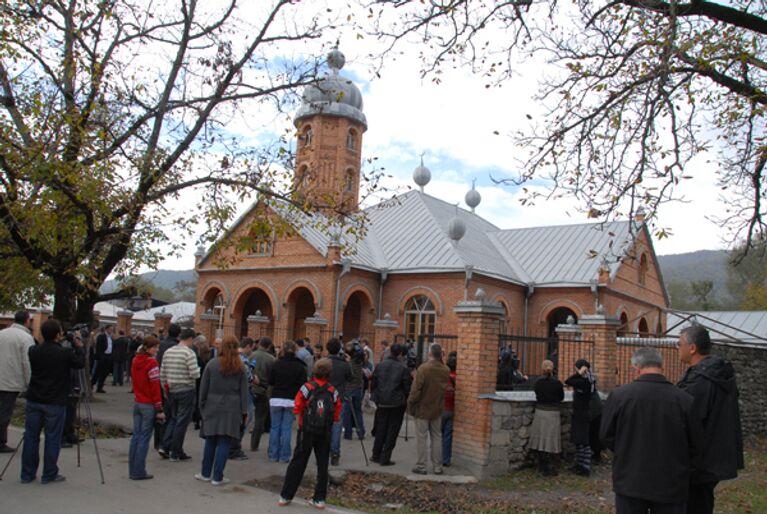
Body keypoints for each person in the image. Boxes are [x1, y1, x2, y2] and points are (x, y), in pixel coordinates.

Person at [601, 347, 703, 514]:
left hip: (630, 478)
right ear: (661, 367)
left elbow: (606, 435)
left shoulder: (619, 396)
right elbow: (696, 443)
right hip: (671, 480)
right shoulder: (684, 400)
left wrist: (626, 449)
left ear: (636, 367)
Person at [677, 325, 744, 514]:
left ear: (692, 348)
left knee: (695, 505)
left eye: (679, 344)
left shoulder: (702, 380)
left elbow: (686, 419)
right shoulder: (715, 373)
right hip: (713, 457)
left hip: (701, 461)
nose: (677, 348)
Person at [21, 318, 85, 484]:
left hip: (34, 398)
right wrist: (79, 347)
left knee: (30, 437)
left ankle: (27, 474)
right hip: (55, 401)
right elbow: (79, 364)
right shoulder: (64, 353)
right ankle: (49, 473)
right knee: (52, 438)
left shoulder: (33, 350)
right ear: (58, 335)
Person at [278, 358, 342, 509]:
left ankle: (286, 495)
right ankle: (319, 498)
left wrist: (300, 420)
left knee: (298, 462)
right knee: (322, 464)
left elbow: (297, 406)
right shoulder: (333, 390)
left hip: (306, 429)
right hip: (325, 431)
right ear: (329, 373)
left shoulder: (306, 388)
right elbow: (337, 411)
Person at [194, 336, 249, 486]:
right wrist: (244, 412)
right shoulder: (240, 367)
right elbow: (244, 393)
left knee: (210, 441)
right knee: (224, 442)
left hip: (212, 405)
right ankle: (218, 477)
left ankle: (205, 473)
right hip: (232, 408)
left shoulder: (212, 364)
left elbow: (203, 389)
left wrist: (202, 407)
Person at [407, 343, 450, 475]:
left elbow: (416, 389)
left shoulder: (424, 368)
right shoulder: (445, 370)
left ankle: (421, 465)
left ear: (430, 353)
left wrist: (410, 402)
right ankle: (437, 466)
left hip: (422, 407)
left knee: (421, 437)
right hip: (437, 407)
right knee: (437, 437)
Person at [158, 328, 200, 461]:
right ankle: (176, 451)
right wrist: (198, 369)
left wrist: (166, 390)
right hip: (186, 389)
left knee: (174, 418)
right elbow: (195, 373)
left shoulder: (168, 352)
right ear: (190, 339)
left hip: (171, 389)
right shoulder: (189, 353)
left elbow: (162, 373)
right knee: (182, 421)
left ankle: (165, 446)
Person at [129, 336, 164, 480]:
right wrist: (159, 408)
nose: (157, 350)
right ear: (148, 348)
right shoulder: (152, 363)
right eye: (155, 347)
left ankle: (132, 469)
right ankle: (139, 471)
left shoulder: (135, 360)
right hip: (148, 404)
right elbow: (155, 386)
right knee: (144, 438)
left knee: (136, 437)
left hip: (138, 401)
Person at [370, 343, 411, 466]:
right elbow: (407, 387)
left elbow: (374, 382)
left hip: (382, 401)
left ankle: (376, 454)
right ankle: (385, 457)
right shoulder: (403, 368)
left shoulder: (380, 365)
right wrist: (403, 398)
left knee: (381, 428)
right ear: (400, 354)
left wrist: (376, 396)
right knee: (392, 431)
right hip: (396, 403)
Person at [0, 311, 35, 453]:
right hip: (12, 380)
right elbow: (27, 362)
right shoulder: (26, 338)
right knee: (5, 412)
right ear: (27, 321)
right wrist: (30, 383)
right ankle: (1, 441)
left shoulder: (2, 333)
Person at [267, 340, 307, 463]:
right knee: (286, 428)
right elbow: (303, 384)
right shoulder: (300, 366)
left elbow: (271, 381)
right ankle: (284, 456)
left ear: (283, 350)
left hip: (276, 398)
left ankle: (273, 454)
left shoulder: (276, 364)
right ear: (295, 351)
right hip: (291, 399)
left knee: (274, 427)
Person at [529, 360, 564, 476]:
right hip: (553, 413)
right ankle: (550, 467)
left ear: (542, 369)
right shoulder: (558, 383)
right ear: (553, 369)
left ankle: (541, 465)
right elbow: (561, 397)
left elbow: (536, 394)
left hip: (540, 412)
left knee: (540, 439)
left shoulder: (538, 382)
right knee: (551, 439)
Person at [326, 337, 352, 466]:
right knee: (336, 425)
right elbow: (350, 378)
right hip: (339, 398)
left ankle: (323, 452)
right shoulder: (344, 364)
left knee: (324, 424)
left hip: (324, 397)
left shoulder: (324, 363)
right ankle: (335, 452)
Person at [229, 337, 256, 460]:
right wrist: (254, 377)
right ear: (248, 346)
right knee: (245, 418)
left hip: (231, 392)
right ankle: (235, 447)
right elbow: (249, 378)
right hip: (244, 392)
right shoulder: (243, 359)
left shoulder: (232, 357)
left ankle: (232, 446)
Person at [565, 358, 593, 476]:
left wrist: (579, 373)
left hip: (581, 413)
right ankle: (580, 465)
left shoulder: (584, 382)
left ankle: (584, 467)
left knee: (582, 441)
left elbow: (568, 381)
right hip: (583, 412)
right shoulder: (588, 380)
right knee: (580, 440)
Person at [250, 336, 276, 451]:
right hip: (264, 390)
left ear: (259, 343)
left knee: (246, 416)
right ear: (269, 346)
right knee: (260, 419)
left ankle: (236, 442)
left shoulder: (251, 355)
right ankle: (254, 444)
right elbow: (273, 377)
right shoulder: (271, 359)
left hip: (250, 388)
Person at [342, 340, 366, 441]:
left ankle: (348, 433)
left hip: (349, 390)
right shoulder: (359, 362)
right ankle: (361, 432)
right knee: (358, 411)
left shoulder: (349, 364)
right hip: (358, 388)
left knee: (347, 412)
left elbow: (348, 376)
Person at [441, 352, 457, 468]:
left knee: (437, 435)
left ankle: (436, 457)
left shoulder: (442, 376)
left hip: (441, 409)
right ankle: (446, 459)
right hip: (452, 409)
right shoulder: (458, 378)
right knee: (448, 436)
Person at [92, 325, 115, 393]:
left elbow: (111, 347)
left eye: (112, 330)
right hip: (102, 356)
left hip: (108, 356)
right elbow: (98, 348)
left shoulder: (111, 338)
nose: (111, 331)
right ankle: (91, 384)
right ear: (106, 329)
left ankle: (100, 387)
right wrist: (100, 356)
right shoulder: (101, 336)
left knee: (105, 373)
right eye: (110, 329)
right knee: (98, 372)